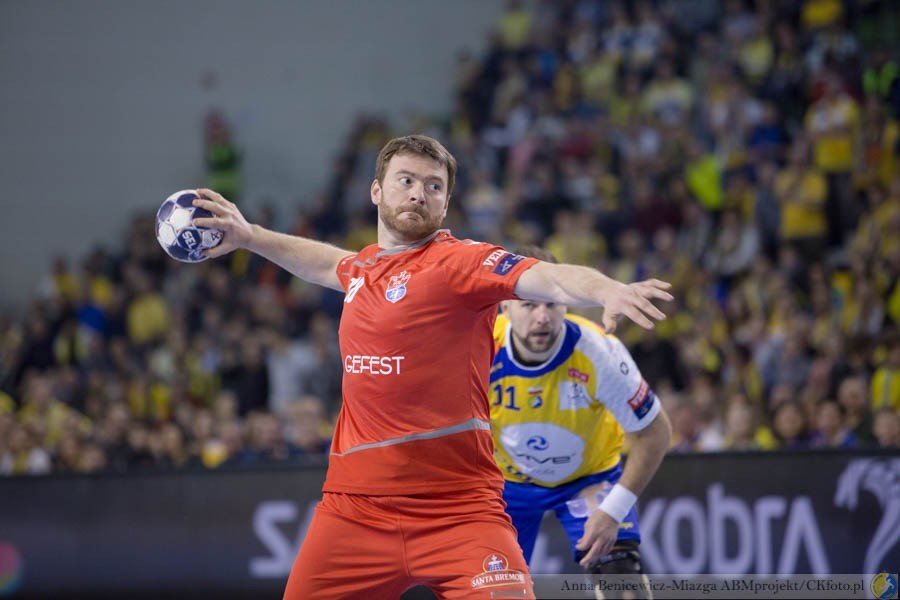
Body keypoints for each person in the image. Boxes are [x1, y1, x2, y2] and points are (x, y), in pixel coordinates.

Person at [191, 135, 672, 599]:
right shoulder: (362, 271)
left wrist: (606, 288)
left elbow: (547, 277)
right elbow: (324, 262)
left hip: (460, 511)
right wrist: (250, 236)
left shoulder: (462, 263)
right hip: (354, 511)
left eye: (433, 186)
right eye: (406, 180)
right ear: (376, 191)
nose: (419, 193)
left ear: (445, 204)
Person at [490, 247, 671, 599]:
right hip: (506, 485)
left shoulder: (598, 351)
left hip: (588, 480)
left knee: (623, 585)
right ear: (504, 307)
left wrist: (614, 510)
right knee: (497, 592)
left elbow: (655, 432)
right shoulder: (479, 345)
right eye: (529, 305)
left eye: (552, 304)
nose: (542, 317)